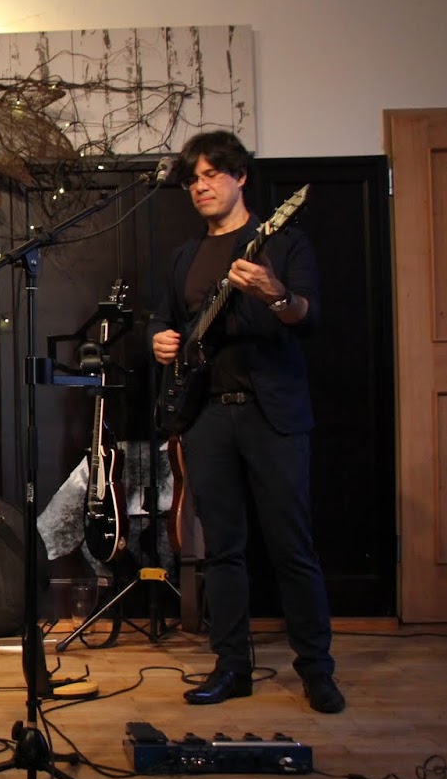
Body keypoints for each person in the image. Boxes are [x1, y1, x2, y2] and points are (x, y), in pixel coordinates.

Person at [147, 130, 344, 714]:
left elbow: (308, 316)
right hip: (207, 417)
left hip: (271, 415)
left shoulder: (283, 242)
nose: (200, 187)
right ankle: (231, 666)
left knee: (291, 547)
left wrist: (275, 294)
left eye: (211, 175)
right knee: (222, 551)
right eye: (192, 180)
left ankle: (317, 670)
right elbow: (165, 319)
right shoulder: (183, 257)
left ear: (240, 177)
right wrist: (160, 340)